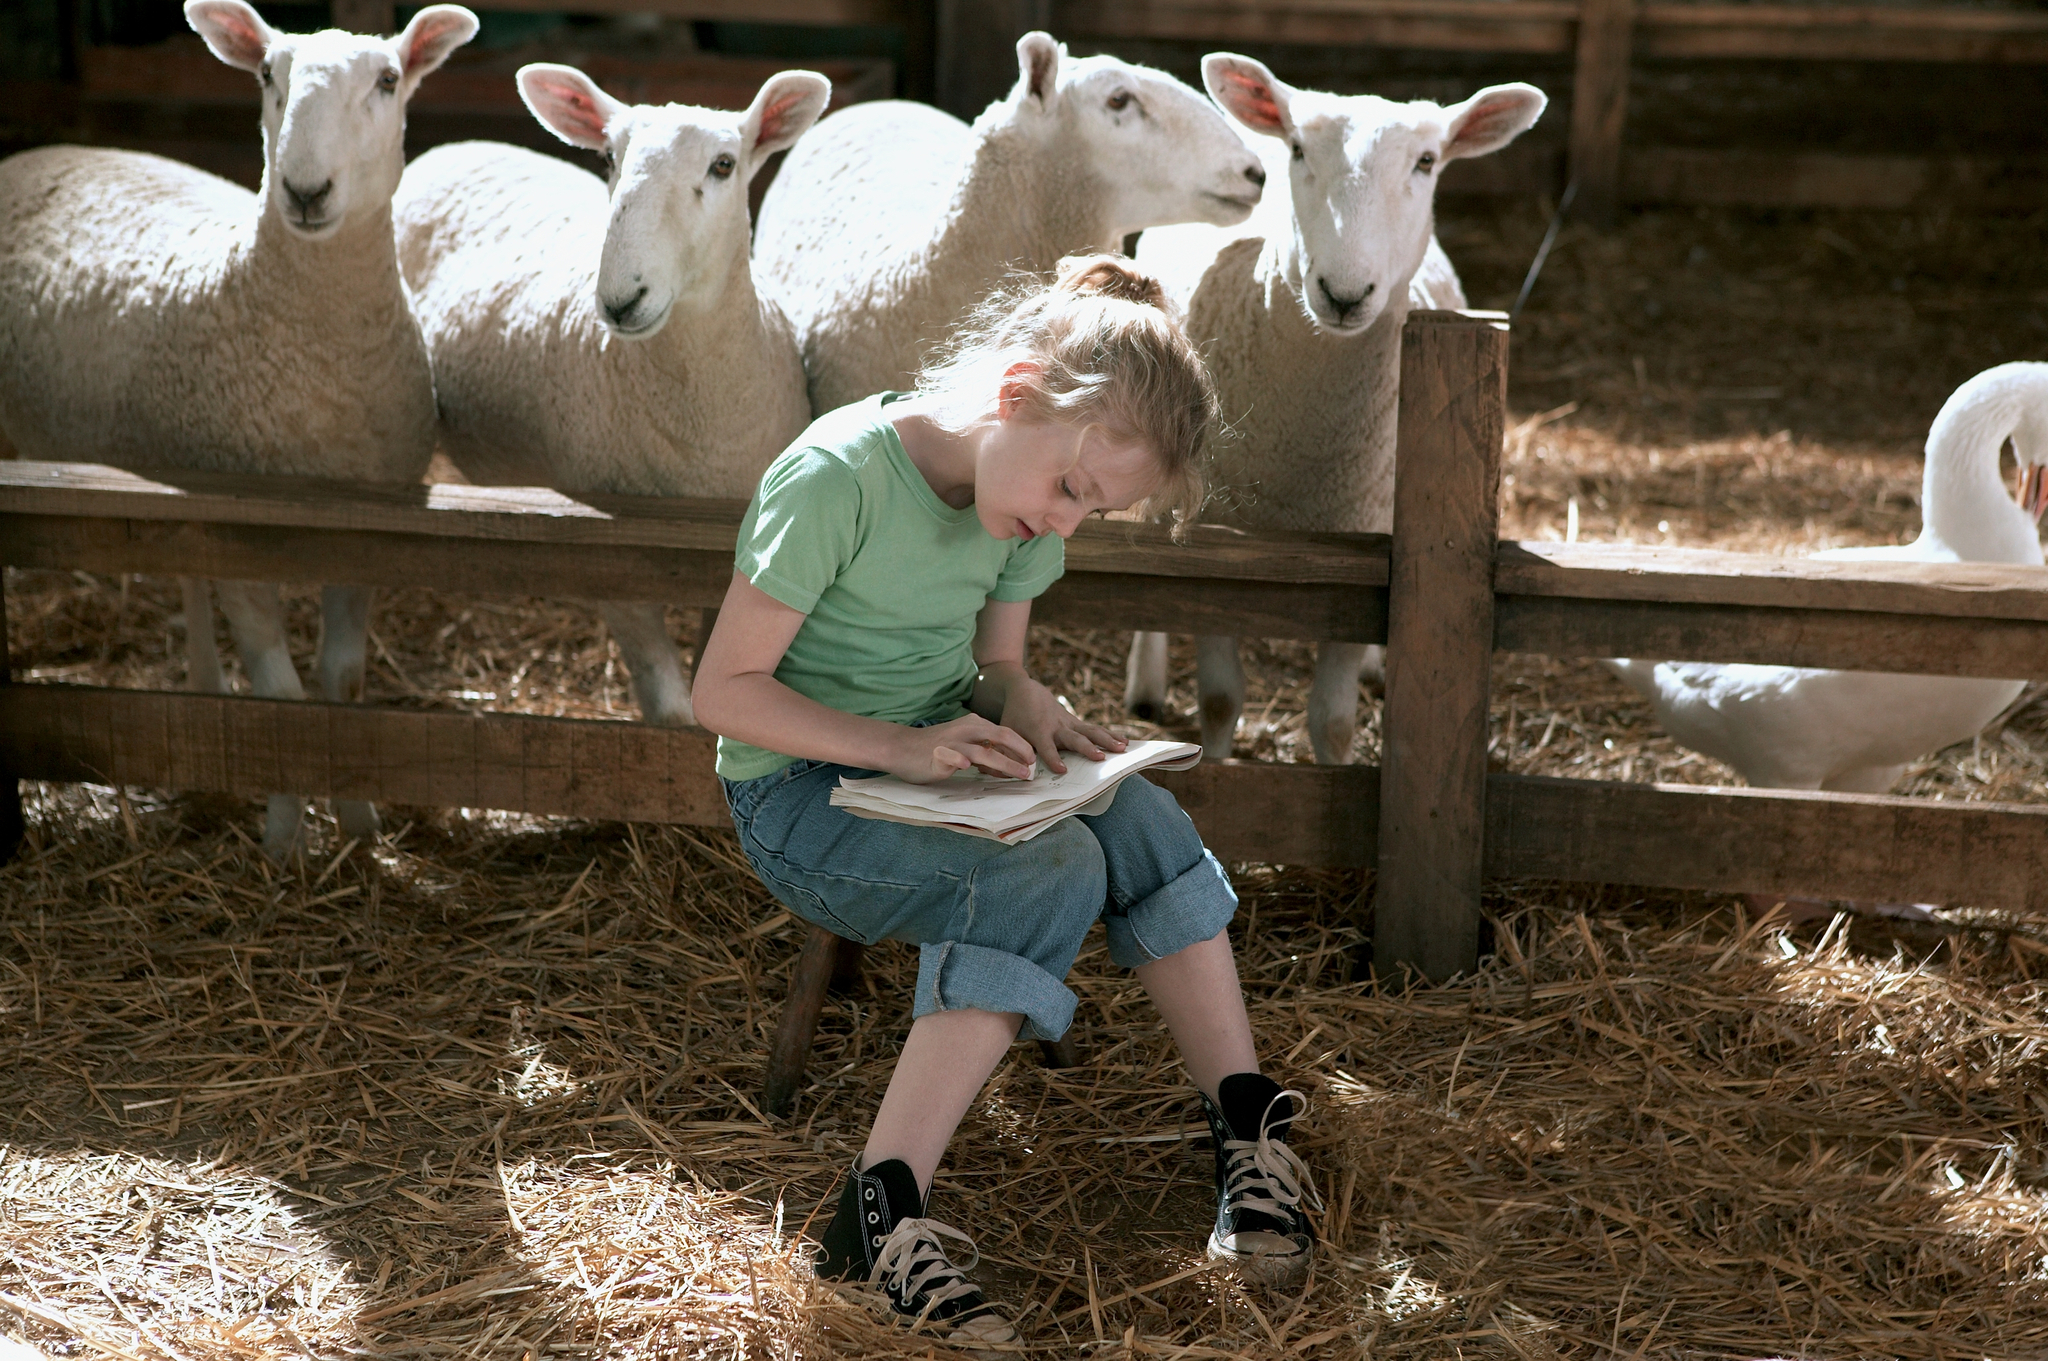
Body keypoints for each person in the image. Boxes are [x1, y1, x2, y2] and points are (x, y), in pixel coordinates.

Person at [692, 254, 1319, 1349]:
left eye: (1098, 510)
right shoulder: (836, 476)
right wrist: (904, 743)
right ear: (1015, 391)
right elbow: (723, 693)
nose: (1068, 524)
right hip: (802, 797)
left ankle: (1244, 1125)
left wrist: (1028, 702)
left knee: (1141, 821)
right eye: (1072, 489)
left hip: (940, 758)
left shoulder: (1016, 508)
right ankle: (874, 1219)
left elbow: (989, 666)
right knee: (1053, 868)